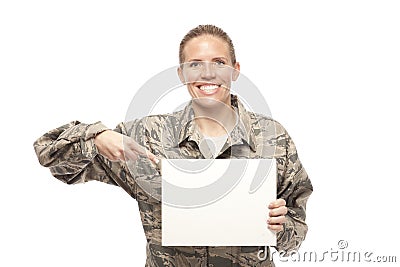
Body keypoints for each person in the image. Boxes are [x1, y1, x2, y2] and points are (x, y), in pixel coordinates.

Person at [34, 24, 313, 267]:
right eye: (195, 64)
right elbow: (50, 154)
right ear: (181, 73)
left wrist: (281, 227)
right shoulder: (144, 136)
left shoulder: (273, 138)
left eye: (219, 62)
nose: (208, 73)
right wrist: (96, 137)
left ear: (235, 71)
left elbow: (295, 235)